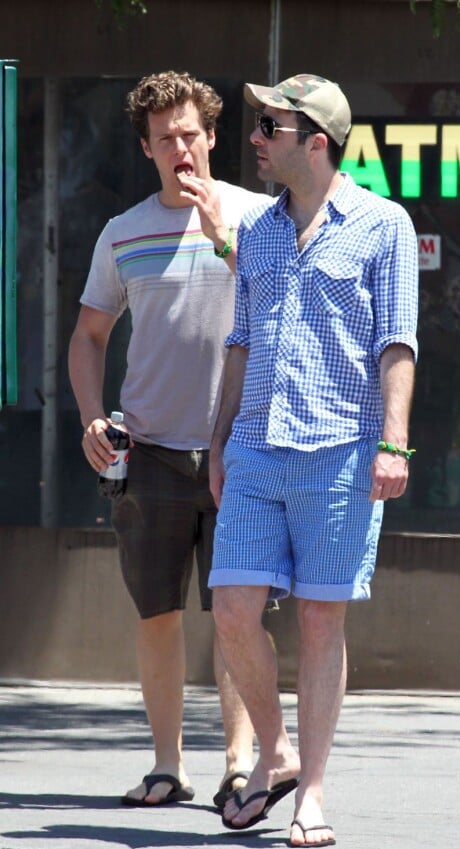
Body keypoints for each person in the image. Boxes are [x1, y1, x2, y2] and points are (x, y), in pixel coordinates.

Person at [208, 73, 418, 848]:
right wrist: (220, 438)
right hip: (257, 448)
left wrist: (393, 443)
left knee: (320, 619)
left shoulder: (383, 225)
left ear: (316, 142)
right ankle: (277, 751)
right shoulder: (258, 231)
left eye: (271, 127)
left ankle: (313, 793)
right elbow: (240, 341)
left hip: (342, 449)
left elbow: (398, 341)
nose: (256, 139)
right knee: (232, 612)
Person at [68, 70, 273, 809]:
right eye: (165, 140)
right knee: (156, 613)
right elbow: (89, 335)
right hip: (149, 452)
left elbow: (278, 306)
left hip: (241, 451)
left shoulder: (259, 217)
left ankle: (241, 763)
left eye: (191, 135)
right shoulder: (122, 232)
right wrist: (93, 415)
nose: (180, 150)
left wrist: (223, 238)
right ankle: (166, 763)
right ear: (148, 148)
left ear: (212, 136)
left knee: (235, 615)